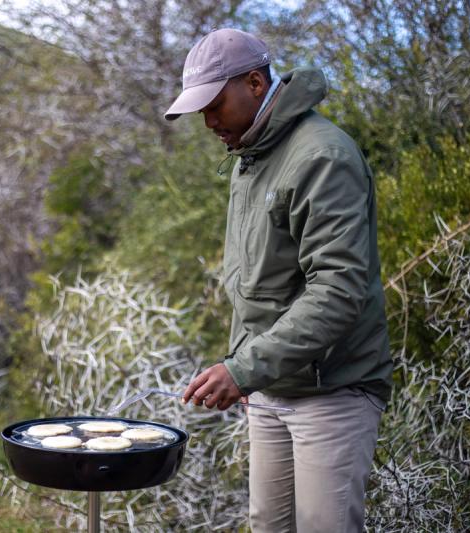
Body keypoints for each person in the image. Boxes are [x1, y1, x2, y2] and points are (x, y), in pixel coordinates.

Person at [165, 28, 394, 532]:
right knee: (269, 526)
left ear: (253, 82)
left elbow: (337, 292)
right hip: (270, 389)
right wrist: (245, 364)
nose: (207, 121)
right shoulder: (251, 154)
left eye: (213, 105)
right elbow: (257, 281)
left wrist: (244, 369)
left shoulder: (322, 156)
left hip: (333, 391)